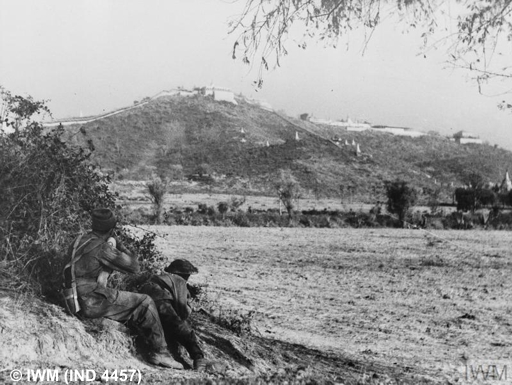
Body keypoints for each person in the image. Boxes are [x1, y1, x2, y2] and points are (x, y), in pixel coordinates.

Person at [61, 208, 183, 369]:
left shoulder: (78, 240)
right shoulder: (103, 248)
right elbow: (135, 267)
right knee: (145, 302)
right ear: (112, 228)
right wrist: (119, 244)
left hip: (70, 296)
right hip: (89, 300)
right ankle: (160, 352)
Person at [138, 259, 212, 372]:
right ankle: (198, 357)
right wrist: (189, 307)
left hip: (145, 301)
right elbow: (182, 311)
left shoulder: (161, 278)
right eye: (187, 276)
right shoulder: (179, 280)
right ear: (184, 274)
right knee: (181, 326)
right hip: (160, 300)